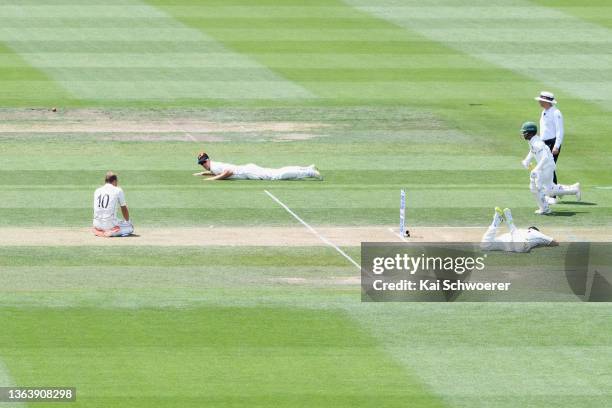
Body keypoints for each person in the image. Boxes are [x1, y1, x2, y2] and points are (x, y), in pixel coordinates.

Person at [520, 122, 580, 215]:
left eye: (524, 132)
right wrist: (527, 160)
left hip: (546, 167)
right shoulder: (532, 141)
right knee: (550, 189)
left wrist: (536, 169)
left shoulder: (537, 143)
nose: (523, 134)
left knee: (535, 187)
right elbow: (532, 151)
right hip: (546, 166)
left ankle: (545, 209)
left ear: (530, 133)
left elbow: (545, 157)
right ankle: (575, 189)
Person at [193, 152, 322, 181]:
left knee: (276, 176)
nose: (203, 165)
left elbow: (229, 172)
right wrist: (204, 174)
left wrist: (213, 179)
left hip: (249, 172)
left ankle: (309, 172)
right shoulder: (214, 166)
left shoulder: (214, 167)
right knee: (277, 171)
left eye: (204, 162)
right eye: (201, 164)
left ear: (208, 160)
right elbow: (220, 172)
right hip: (248, 169)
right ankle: (304, 169)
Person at [481, 207, 557, 253]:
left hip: (507, 241)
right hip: (518, 243)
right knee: (520, 247)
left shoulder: (521, 230)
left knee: (485, 246)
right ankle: (509, 221)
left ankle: (496, 222)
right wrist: (541, 243)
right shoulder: (534, 232)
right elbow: (553, 242)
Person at [535, 91, 564, 203]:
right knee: (547, 168)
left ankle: (553, 195)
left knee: (549, 168)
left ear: (547, 102)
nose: (539, 102)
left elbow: (560, 131)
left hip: (552, 144)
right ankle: (554, 192)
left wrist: (556, 146)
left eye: (541, 100)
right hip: (544, 143)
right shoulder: (544, 111)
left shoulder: (556, 113)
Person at [92, 172, 134, 237]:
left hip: (96, 224)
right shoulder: (118, 190)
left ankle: (98, 231)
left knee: (117, 220)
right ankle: (111, 232)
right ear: (114, 181)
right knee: (130, 227)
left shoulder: (97, 191)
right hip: (109, 225)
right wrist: (128, 221)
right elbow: (123, 208)